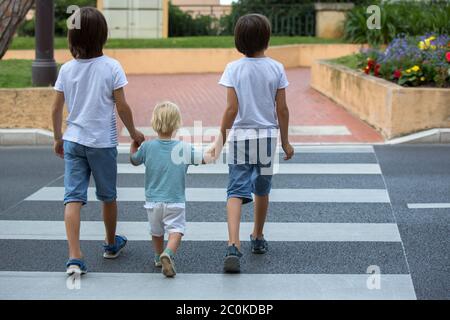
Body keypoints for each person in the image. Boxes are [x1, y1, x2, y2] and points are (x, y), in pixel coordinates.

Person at [51, 7, 145, 275]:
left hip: (73, 141)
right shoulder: (111, 66)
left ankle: (74, 256)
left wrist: (59, 138)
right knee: (108, 196)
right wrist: (134, 133)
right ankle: (110, 244)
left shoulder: (67, 69)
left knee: (73, 198)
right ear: (102, 36)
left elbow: (56, 109)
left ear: (72, 38)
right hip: (102, 143)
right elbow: (122, 107)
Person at [209, 14, 294, 273]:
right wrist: (286, 142)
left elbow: (231, 109)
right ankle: (257, 236)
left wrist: (219, 140)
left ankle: (233, 244)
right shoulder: (276, 68)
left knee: (235, 192)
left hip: (240, 139)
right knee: (262, 190)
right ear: (266, 40)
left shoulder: (233, 69)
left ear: (239, 41)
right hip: (267, 139)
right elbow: (283, 110)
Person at [130, 101, 212, 277]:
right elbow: (204, 159)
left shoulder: (147, 147)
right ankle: (168, 253)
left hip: (152, 201)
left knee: (156, 231)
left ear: (154, 122)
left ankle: (159, 256)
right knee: (176, 230)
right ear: (177, 124)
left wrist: (133, 147)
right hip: (175, 200)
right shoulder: (183, 148)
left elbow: (134, 160)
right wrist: (214, 148)